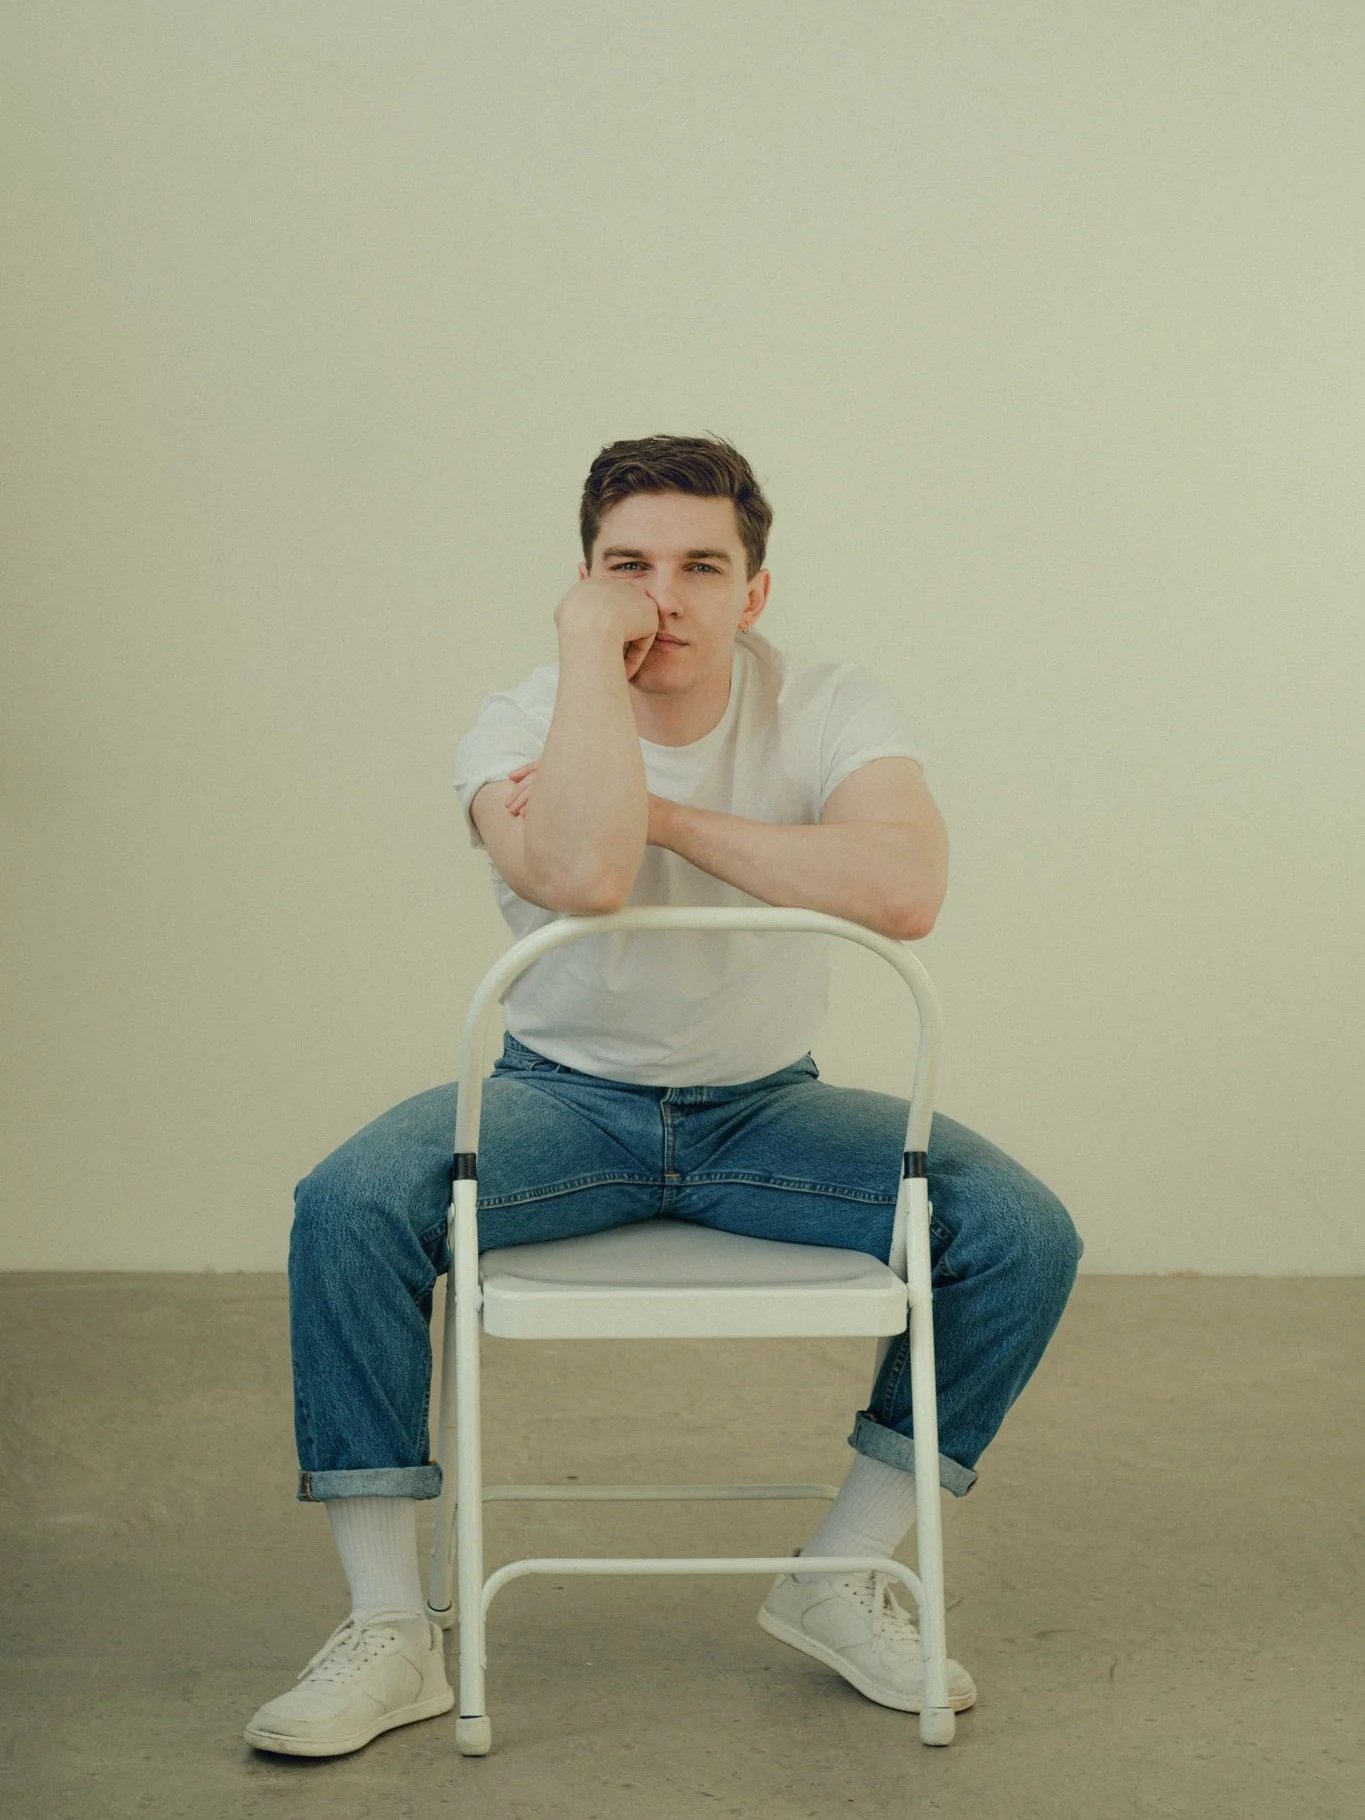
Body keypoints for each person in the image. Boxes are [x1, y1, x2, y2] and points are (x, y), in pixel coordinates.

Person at [244, 433, 1083, 1757]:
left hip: (766, 1115)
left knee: (1018, 1229)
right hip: (557, 1108)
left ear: (754, 590)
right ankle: (391, 1628)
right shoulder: (521, 716)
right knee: (348, 1200)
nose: (663, 599)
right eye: (625, 568)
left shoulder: (826, 702)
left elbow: (903, 890)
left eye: (701, 566)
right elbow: (580, 874)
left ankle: (833, 1573)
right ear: (583, 582)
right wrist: (588, 663)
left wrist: (674, 822)